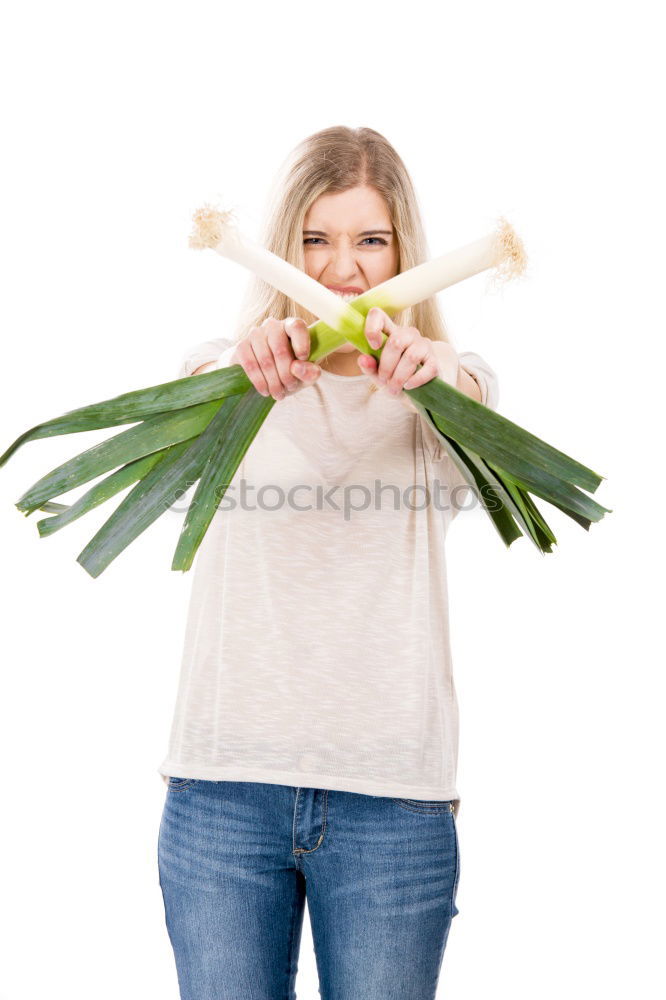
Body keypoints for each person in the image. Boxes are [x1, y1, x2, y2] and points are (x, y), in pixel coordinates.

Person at [157, 125, 499, 1000]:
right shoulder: (223, 375)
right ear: (280, 251)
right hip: (224, 798)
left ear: (404, 252)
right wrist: (236, 365)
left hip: (393, 805)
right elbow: (205, 370)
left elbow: (474, 407)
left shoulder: (450, 396)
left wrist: (444, 372)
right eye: (316, 240)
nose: (344, 270)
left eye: (370, 241)